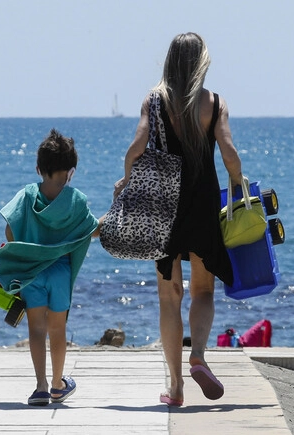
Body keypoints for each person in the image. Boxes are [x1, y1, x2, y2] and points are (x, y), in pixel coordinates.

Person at [114, 32, 243, 407]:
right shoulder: (214, 103)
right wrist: (238, 185)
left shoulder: (154, 101)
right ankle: (198, 355)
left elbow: (136, 149)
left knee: (169, 298)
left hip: (163, 207)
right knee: (203, 290)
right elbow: (230, 153)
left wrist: (128, 183)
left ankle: (175, 388)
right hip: (203, 201)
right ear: (202, 62)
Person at [0, 129, 100, 406]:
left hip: (32, 273)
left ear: (38, 168)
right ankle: (57, 384)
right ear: (72, 171)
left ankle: (40, 386)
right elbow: (90, 231)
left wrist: (26, 251)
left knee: (36, 330)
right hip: (61, 273)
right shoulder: (76, 200)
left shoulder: (28, 195)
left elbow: (9, 231)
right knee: (58, 329)